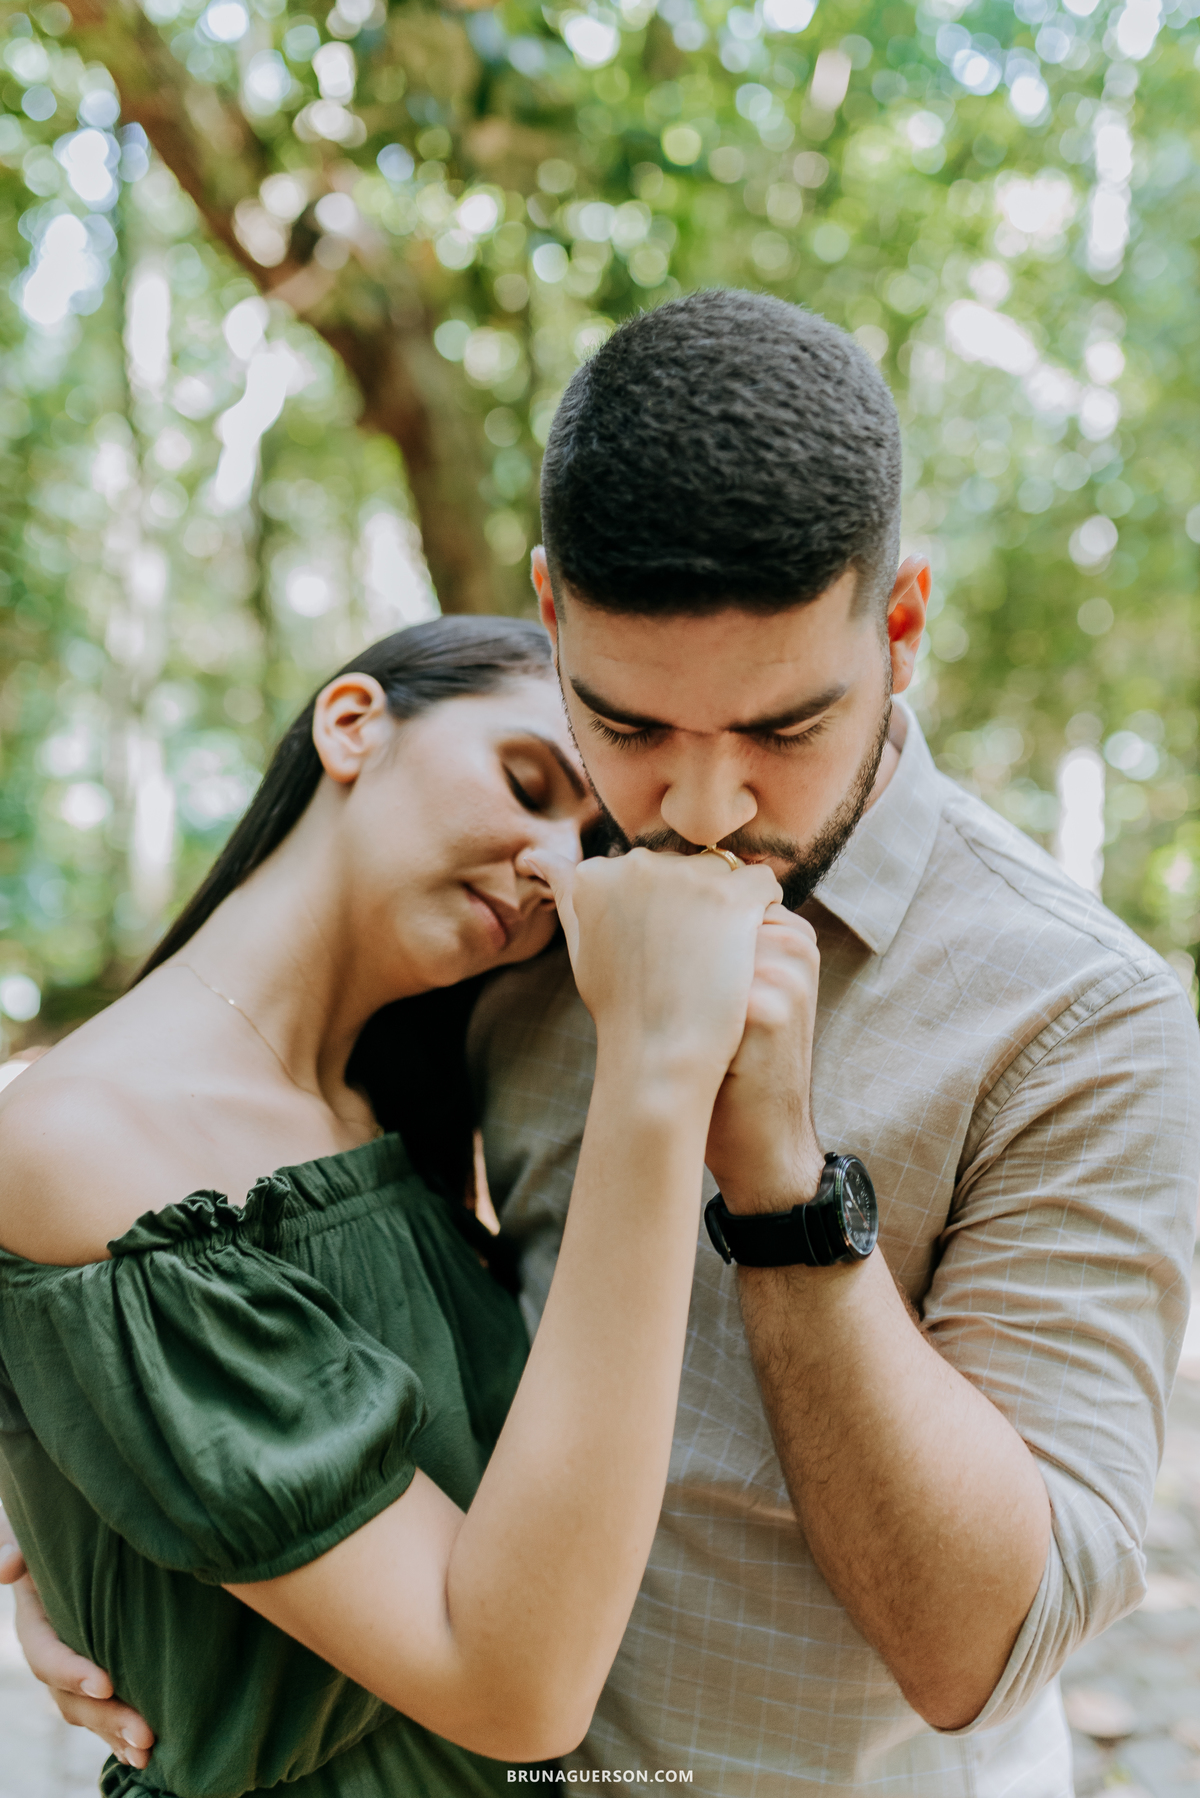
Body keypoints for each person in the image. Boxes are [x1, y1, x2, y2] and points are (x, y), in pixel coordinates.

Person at [9, 290, 1200, 1795]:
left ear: (900, 627)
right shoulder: (524, 925)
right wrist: (76, 1500)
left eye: (782, 729)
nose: (699, 809)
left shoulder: (1080, 1016)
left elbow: (985, 1646)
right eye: (628, 730)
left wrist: (778, 1189)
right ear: (552, 611)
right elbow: (221, 1204)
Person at [0, 612, 796, 1796]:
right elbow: (515, 1690)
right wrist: (657, 1066)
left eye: (590, 843)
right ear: (354, 723)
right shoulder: (90, 1140)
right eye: (529, 782)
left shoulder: (390, 1118)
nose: (555, 870)